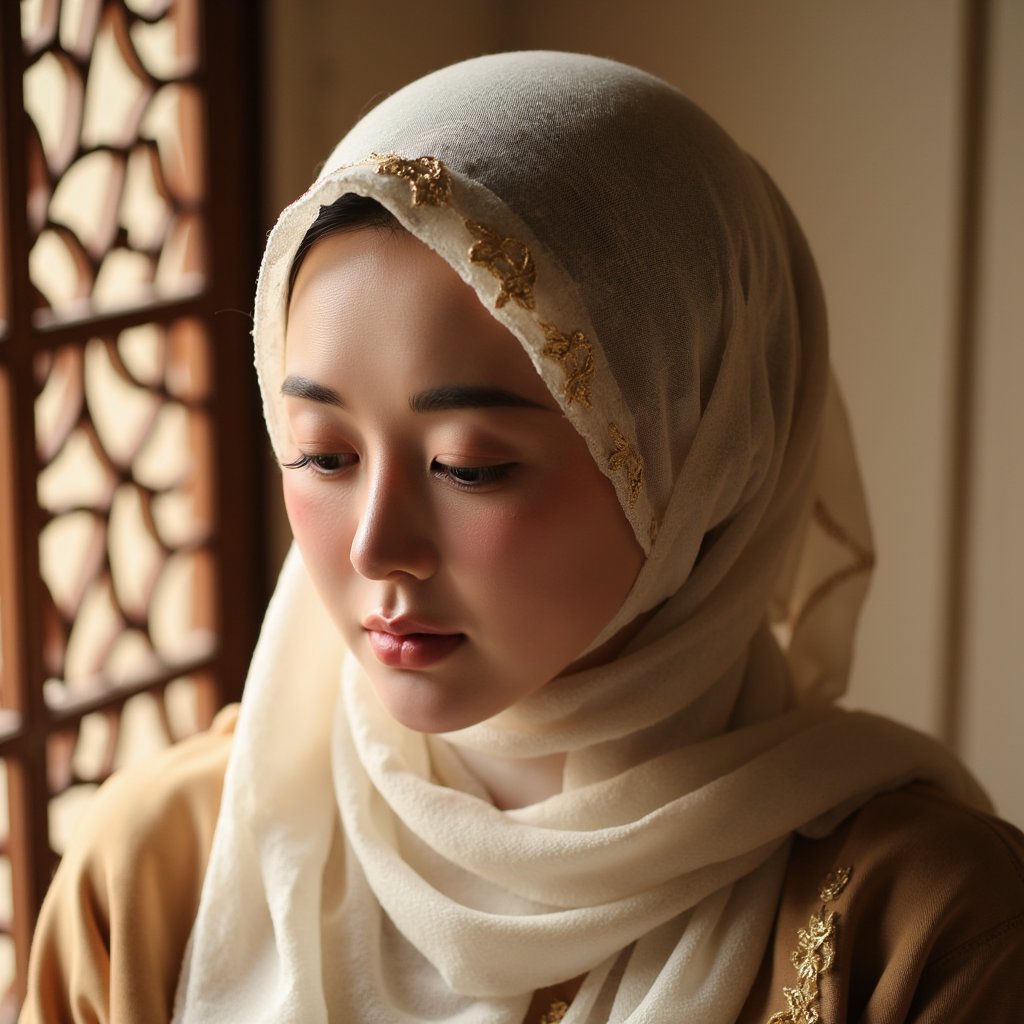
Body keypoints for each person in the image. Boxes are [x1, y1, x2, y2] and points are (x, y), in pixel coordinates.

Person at [21, 51, 1024, 1023]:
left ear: (702, 463)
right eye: (323, 453)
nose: (376, 546)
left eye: (469, 466)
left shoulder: (924, 931)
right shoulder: (155, 872)